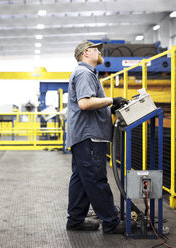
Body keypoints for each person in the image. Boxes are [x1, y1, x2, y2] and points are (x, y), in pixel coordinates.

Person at [66, 41, 128, 234]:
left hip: (84, 136)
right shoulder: (84, 73)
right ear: (86, 53)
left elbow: (90, 104)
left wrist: (109, 108)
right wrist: (112, 100)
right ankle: (111, 222)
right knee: (96, 179)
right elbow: (85, 103)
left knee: (81, 179)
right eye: (96, 49)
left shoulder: (88, 73)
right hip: (89, 137)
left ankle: (75, 220)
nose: (100, 52)